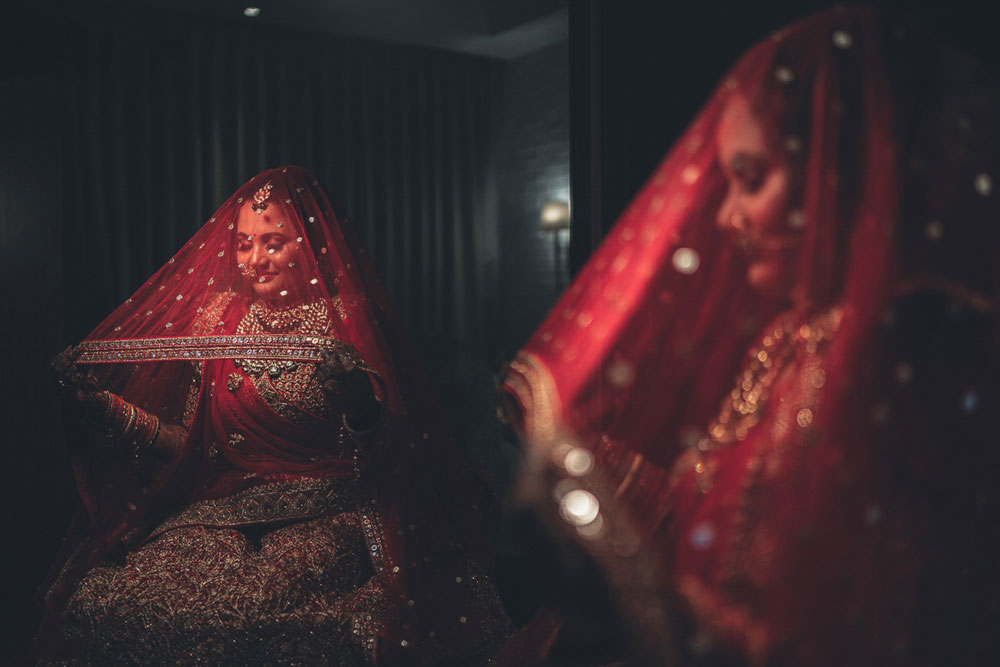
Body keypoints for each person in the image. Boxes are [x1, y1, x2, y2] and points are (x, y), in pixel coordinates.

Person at [500, 7, 999, 666]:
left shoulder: (921, 348)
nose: (727, 216)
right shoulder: (791, 337)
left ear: (844, 170)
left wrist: (625, 588)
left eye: (753, 178)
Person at [37, 166, 511, 665]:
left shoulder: (349, 319)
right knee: (129, 597)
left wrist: (359, 407)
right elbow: (190, 447)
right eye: (244, 244)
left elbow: (396, 450)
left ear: (308, 245)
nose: (255, 260)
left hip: (328, 511)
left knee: (254, 610)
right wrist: (104, 407)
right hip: (220, 510)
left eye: (274, 242)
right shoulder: (220, 320)